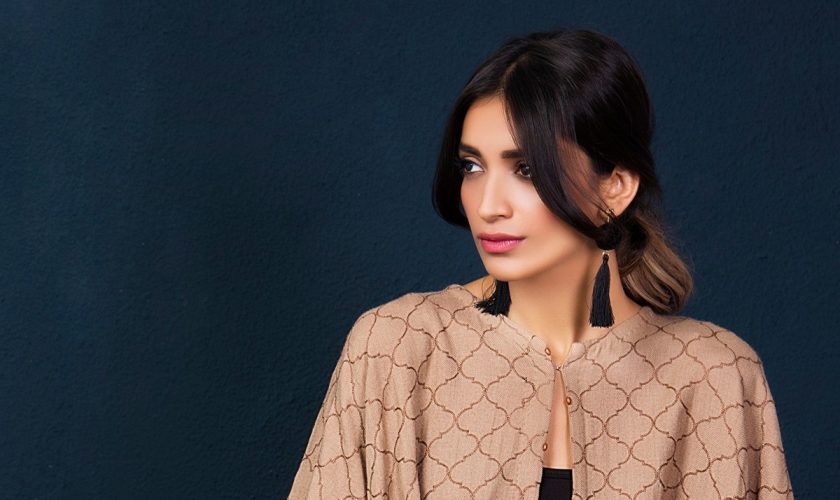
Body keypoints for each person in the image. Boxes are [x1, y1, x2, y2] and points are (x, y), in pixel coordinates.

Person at [288, 28, 794, 499]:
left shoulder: (715, 377)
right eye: (472, 166)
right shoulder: (396, 348)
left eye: (526, 169)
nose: (488, 205)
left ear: (615, 188)